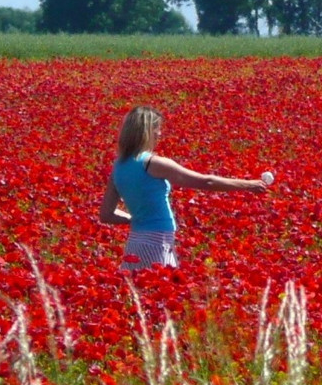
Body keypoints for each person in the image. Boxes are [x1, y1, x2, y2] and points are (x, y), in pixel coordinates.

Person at [101, 106, 267, 272]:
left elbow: (106, 214)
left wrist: (137, 218)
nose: (159, 134)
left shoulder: (118, 167)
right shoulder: (152, 163)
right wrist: (249, 185)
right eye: (157, 129)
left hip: (136, 241)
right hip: (157, 243)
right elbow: (206, 182)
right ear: (147, 131)